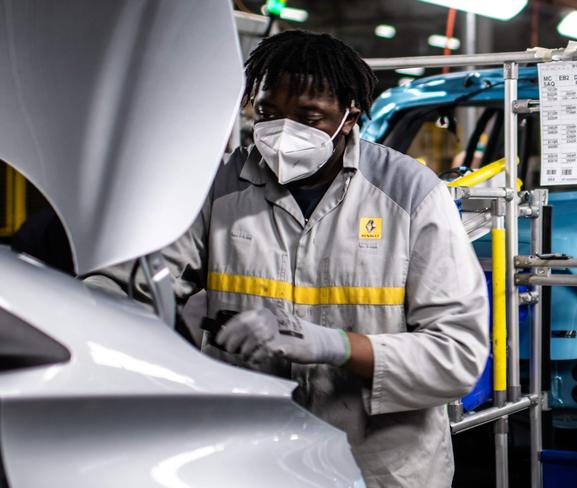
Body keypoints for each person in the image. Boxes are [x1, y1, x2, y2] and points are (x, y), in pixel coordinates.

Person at [85, 30, 489, 488]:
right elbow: (130, 282)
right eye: (268, 113)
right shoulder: (218, 186)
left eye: (308, 117)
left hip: (376, 465)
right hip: (248, 457)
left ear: (350, 114)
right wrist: (86, 312)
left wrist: (332, 345)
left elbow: (458, 356)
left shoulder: (411, 195)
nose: (282, 132)